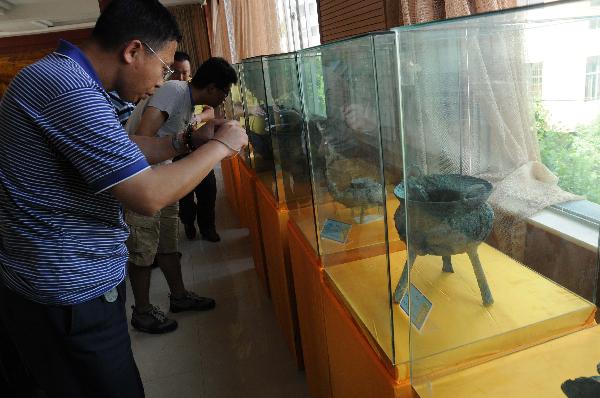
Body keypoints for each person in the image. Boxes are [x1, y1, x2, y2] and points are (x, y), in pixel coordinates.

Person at [0, 1, 247, 397]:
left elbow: (121, 148)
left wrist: (185, 141)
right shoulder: (67, 89)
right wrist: (220, 146)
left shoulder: (66, 78)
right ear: (133, 51)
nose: (162, 81)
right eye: (164, 67)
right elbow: (147, 196)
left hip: (58, 285)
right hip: (67, 293)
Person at [124, 56, 237, 334]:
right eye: (223, 92)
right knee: (143, 250)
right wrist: (189, 142)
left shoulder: (187, 100)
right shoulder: (175, 90)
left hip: (162, 178)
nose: (223, 98)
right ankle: (142, 312)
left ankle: (179, 296)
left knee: (168, 243)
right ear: (211, 88)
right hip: (141, 182)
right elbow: (140, 140)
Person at [170, 51, 223, 242]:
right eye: (177, 72)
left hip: (200, 150)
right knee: (184, 195)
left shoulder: (196, 88)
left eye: (185, 73)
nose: (181, 77)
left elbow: (211, 112)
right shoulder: (169, 93)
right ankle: (188, 223)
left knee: (208, 191)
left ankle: (208, 228)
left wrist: (197, 118)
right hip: (177, 151)